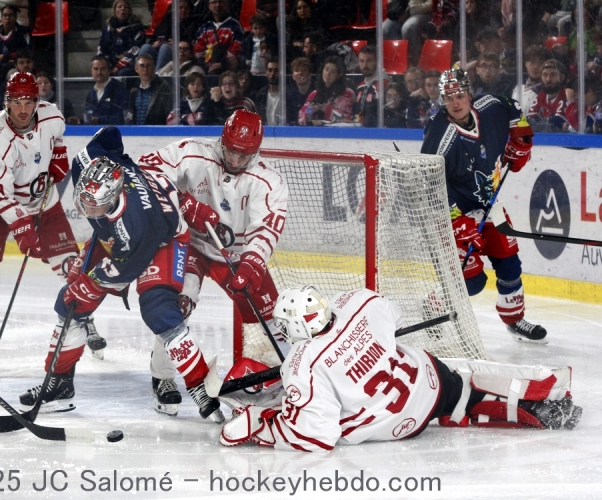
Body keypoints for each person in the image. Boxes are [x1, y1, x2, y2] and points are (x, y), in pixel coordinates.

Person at [219, 285, 581, 450]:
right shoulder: (359, 302)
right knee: (461, 387)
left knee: (311, 412)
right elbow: (391, 317)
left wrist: (262, 423)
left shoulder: (302, 363)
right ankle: (541, 394)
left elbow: (316, 436)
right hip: (430, 381)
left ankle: (484, 408)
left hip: (396, 426)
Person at [33, 127, 223, 422]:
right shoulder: (90, 164)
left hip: (164, 239)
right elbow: (109, 134)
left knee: (160, 310)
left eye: (96, 206)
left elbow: (120, 270)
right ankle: (58, 385)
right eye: (85, 201)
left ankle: (198, 384)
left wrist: (88, 284)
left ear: (115, 196)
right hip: (119, 234)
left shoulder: (135, 229)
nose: (87, 210)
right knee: (70, 305)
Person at [0, 72, 106, 358]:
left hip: (44, 201)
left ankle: (85, 320)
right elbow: (0, 194)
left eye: (28, 101)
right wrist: (21, 227)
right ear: (6, 102)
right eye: (16, 102)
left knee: (71, 267)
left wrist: (58, 154)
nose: (23, 109)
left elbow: (57, 138)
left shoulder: (52, 116)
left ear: (36, 101)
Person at [139, 110, 289, 417]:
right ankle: (163, 377)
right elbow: (144, 172)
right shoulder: (192, 153)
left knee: (271, 316)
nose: (234, 159)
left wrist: (252, 265)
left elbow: (265, 231)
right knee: (176, 307)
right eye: (231, 149)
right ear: (222, 140)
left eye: (243, 154)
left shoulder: (268, 182)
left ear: (256, 151)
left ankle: (279, 376)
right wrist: (182, 201)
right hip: (187, 242)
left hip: (235, 256)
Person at [420, 69, 547, 343]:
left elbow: (511, 108)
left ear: (469, 93)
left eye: (460, 95)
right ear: (442, 99)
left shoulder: (489, 105)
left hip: (488, 203)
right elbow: (428, 184)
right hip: (452, 212)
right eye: (449, 97)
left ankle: (515, 320)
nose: (456, 102)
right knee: (473, 281)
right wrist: (456, 221)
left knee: (508, 259)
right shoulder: (439, 136)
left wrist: (521, 137)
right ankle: (432, 307)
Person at [299, 56, 356, 125]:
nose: (328, 74)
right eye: (326, 69)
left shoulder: (347, 93)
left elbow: (348, 119)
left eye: (333, 72)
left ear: (339, 75)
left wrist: (329, 111)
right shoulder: (314, 94)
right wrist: (310, 111)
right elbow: (301, 117)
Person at [193, 0, 244, 75]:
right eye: (214, 2)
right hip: (207, 70)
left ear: (227, 4)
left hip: (229, 71)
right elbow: (198, 49)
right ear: (209, 6)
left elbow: (238, 48)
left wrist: (222, 64)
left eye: (221, 2)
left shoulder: (235, 25)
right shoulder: (204, 28)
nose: (217, 5)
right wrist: (207, 65)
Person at [527, 59, 578, 133]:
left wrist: (540, 124)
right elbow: (530, 120)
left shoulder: (567, 95)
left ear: (562, 77)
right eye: (545, 75)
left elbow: (555, 123)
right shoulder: (542, 95)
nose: (548, 79)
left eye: (553, 74)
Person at [98, 0, 146, 77]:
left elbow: (136, 48)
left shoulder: (137, 27)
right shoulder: (108, 29)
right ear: (114, 10)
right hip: (111, 64)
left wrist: (119, 66)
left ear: (129, 10)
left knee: (122, 73)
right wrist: (106, 65)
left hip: (131, 64)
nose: (123, 9)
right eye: (119, 7)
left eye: (125, 7)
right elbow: (103, 47)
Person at [125, 54, 173, 125]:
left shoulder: (163, 87)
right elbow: (129, 114)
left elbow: (169, 113)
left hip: (157, 133)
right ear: (136, 69)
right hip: (135, 134)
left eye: (148, 66)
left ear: (154, 68)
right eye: (142, 66)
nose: (145, 69)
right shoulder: (133, 90)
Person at [84, 56, 129, 125]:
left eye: (103, 69)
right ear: (91, 71)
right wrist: (79, 121)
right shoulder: (90, 94)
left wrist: (100, 120)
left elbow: (123, 118)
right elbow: (88, 119)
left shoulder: (119, 89)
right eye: (96, 69)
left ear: (109, 70)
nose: (99, 72)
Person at [353, 45, 390, 128]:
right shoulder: (360, 86)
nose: (365, 65)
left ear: (377, 62)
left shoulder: (384, 85)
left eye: (369, 61)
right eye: (361, 61)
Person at [253, 58, 282, 125]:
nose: (273, 74)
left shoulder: (289, 95)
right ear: (266, 73)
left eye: (276, 70)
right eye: (270, 70)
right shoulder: (260, 95)